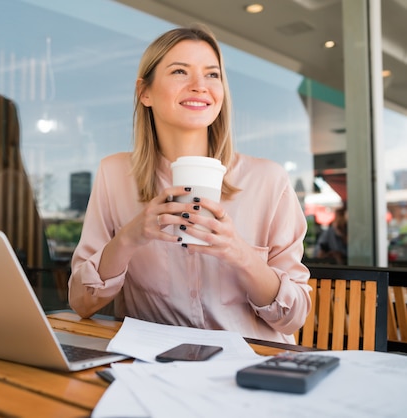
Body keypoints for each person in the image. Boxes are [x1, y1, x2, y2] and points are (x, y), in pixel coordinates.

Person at [68, 24, 311, 344]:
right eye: (180, 71)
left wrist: (241, 255)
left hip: (250, 370)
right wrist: (129, 237)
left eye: (212, 74)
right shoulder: (115, 174)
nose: (200, 86)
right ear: (145, 92)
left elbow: (294, 318)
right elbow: (82, 304)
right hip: (153, 368)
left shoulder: (268, 180)